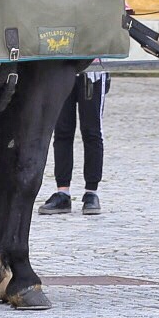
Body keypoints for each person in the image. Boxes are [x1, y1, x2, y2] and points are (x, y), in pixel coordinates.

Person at [38, 71, 108, 217]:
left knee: (92, 132)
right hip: (62, 70)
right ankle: (63, 192)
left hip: (92, 72)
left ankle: (91, 192)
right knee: (62, 132)